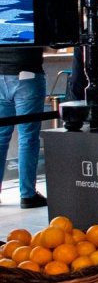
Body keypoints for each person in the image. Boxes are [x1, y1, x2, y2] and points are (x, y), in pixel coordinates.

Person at [0, 47, 47, 208]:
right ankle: (28, 194)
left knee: (0, 137)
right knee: (28, 137)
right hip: (27, 74)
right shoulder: (34, 19)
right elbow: (53, 41)